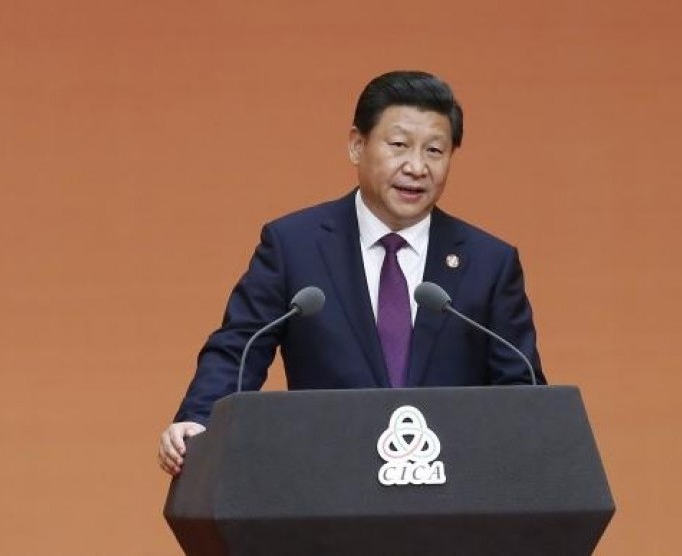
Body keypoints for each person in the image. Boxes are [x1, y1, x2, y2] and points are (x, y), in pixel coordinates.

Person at [158, 70, 546, 475]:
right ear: (357, 146)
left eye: (435, 151)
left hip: (454, 488)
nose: (417, 167)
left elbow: (521, 387)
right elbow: (239, 347)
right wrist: (200, 419)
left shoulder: (489, 262)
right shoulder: (295, 245)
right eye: (399, 145)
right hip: (327, 484)